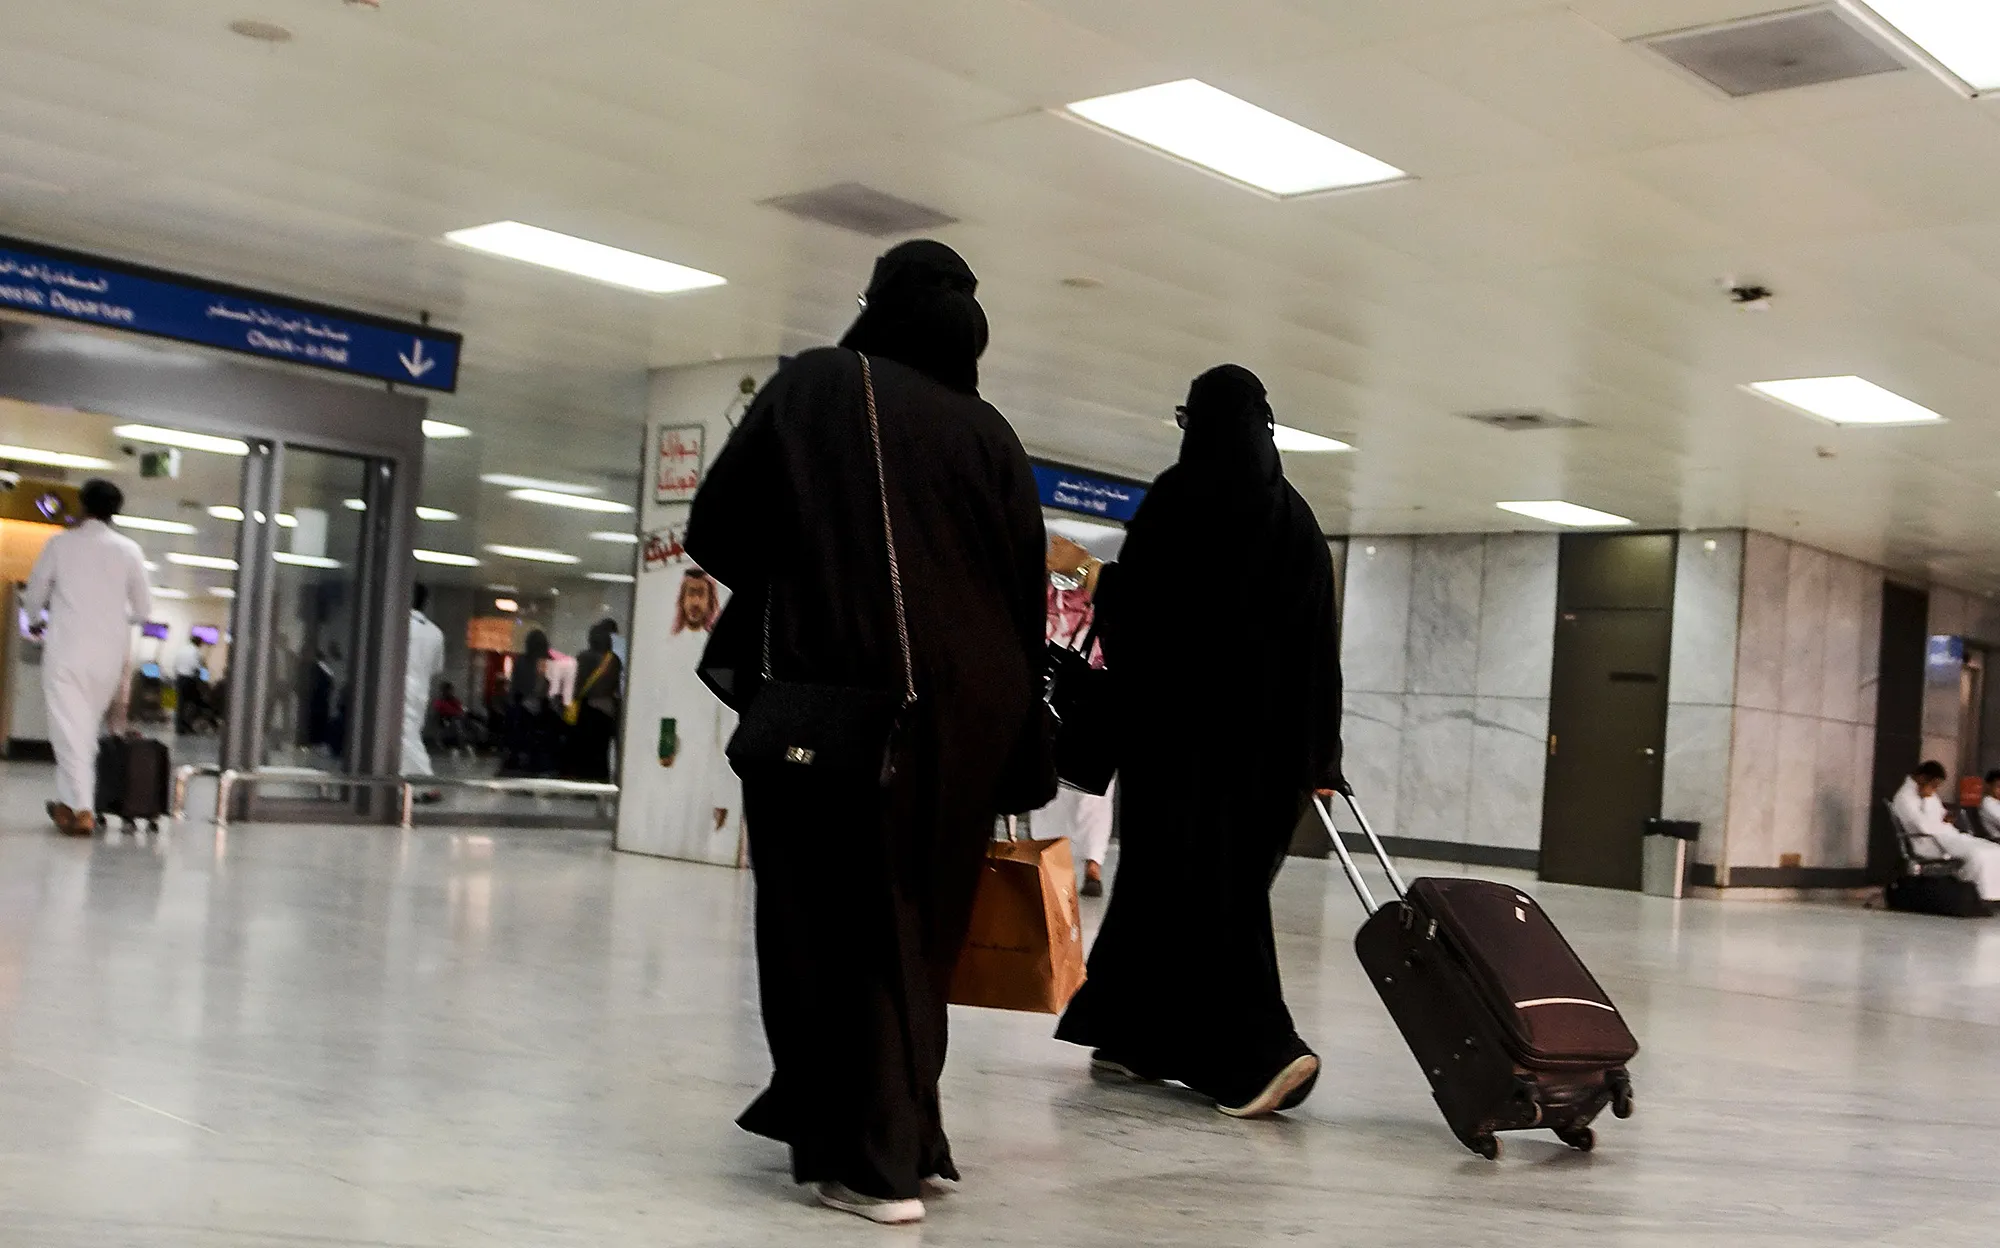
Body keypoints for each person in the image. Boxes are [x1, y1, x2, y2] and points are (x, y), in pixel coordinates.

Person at [687, 240, 1053, 1225]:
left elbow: (717, 526)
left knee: (827, 921)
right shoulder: (990, 433)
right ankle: (907, 1133)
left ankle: (872, 1161)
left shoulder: (820, 384)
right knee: (913, 930)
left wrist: (814, 569)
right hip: (972, 717)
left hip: (845, 701)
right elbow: (1023, 600)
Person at [1052, 364, 1343, 1120]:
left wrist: (1086, 571)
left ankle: (1258, 1058)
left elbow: (1143, 615)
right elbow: (1320, 651)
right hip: (1271, 761)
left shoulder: (1181, 499)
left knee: (1202, 898)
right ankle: (1126, 1034)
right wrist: (1322, 757)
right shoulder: (1300, 524)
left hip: (1181, 751)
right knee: (1188, 891)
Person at [23, 478, 152, 836]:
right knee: (82, 730)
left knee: (68, 729)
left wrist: (35, 620)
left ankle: (82, 809)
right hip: (107, 655)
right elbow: (143, 610)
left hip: (67, 650)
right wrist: (111, 620)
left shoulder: (61, 544)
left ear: (82, 506)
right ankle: (68, 805)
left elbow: (35, 593)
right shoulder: (129, 551)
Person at [1039, 543, 1115, 896]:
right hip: (1095, 701)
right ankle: (1089, 864)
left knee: (1055, 788)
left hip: (1069, 696)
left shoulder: (1065, 594)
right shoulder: (1089, 597)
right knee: (1089, 796)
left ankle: (1060, 865)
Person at [1891, 761, 2000, 899]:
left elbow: (1939, 814)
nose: (1935, 789)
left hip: (1947, 835)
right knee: (1977, 855)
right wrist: (1927, 799)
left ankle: (1993, 896)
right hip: (1929, 842)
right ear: (1922, 778)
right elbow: (1924, 826)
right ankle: (1974, 894)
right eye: (1935, 784)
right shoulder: (1904, 798)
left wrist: (1946, 817)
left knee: (1995, 850)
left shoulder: (1929, 792)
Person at [559, 619, 623, 782]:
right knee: (601, 750)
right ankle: (600, 781)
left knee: (583, 748)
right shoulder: (613, 660)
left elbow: (576, 684)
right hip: (607, 710)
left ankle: (582, 781)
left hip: (586, 709)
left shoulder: (584, 657)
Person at [401, 584, 446, 795]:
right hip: (421, 690)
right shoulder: (436, 632)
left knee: (405, 735)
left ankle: (426, 784)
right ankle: (405, 786)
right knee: (410, 733)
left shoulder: (399, 626)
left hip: (399, 687)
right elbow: (437, 668)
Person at [171, 634, 210, 734]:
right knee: (195, 703)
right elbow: (197, 667)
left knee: (180, 704)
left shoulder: (181, 650)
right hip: (190, 680)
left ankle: (179, 728)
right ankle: (189, 725)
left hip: (180, 678)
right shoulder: (196, 652)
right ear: (199, 643)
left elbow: (175, 665)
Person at [1979, 771, 2000, 841]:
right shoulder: (1988, 803)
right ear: (1988, 786)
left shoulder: (1996, 802)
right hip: (1996, 841)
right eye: (1999, 787)